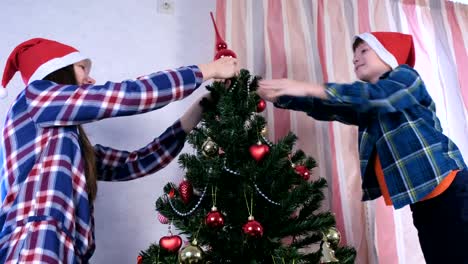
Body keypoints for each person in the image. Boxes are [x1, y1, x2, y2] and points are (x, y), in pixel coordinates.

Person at [0, 37, 238, 263]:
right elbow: (127, 96)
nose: (91, 80)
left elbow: (137, 162)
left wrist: (199, 109)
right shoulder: (35, 98)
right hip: (34, 245)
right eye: (82, 68)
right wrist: (209, 69)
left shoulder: (65, 145)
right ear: (58, 71)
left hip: (65, 251)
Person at [258, 31, 467, 263]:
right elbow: (330, 106)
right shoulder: (367, 105)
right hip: (423, 202)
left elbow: (382, 97)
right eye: (354, 55)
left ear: (388, 55)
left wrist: (303, 86)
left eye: (364, 51)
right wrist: (280, 96)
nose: (356, 58)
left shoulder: (406, 77)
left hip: (451, 190)